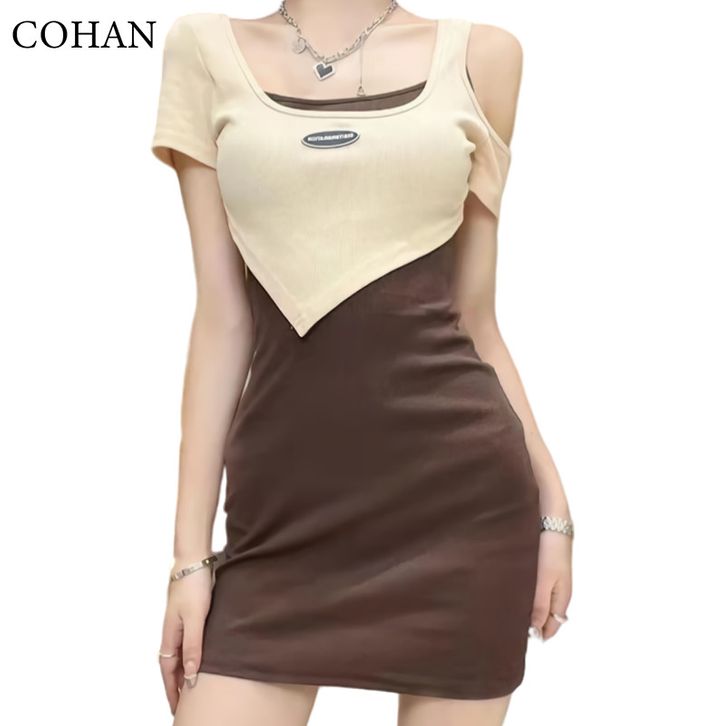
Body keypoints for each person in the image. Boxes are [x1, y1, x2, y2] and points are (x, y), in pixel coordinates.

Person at [150, 2, 574, 724]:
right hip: (278, 526)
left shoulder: (485, 57)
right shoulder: (205, 50)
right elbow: (222, 319)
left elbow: (476, 319)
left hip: (462, 513)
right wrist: (189, 559)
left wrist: (553, 506)